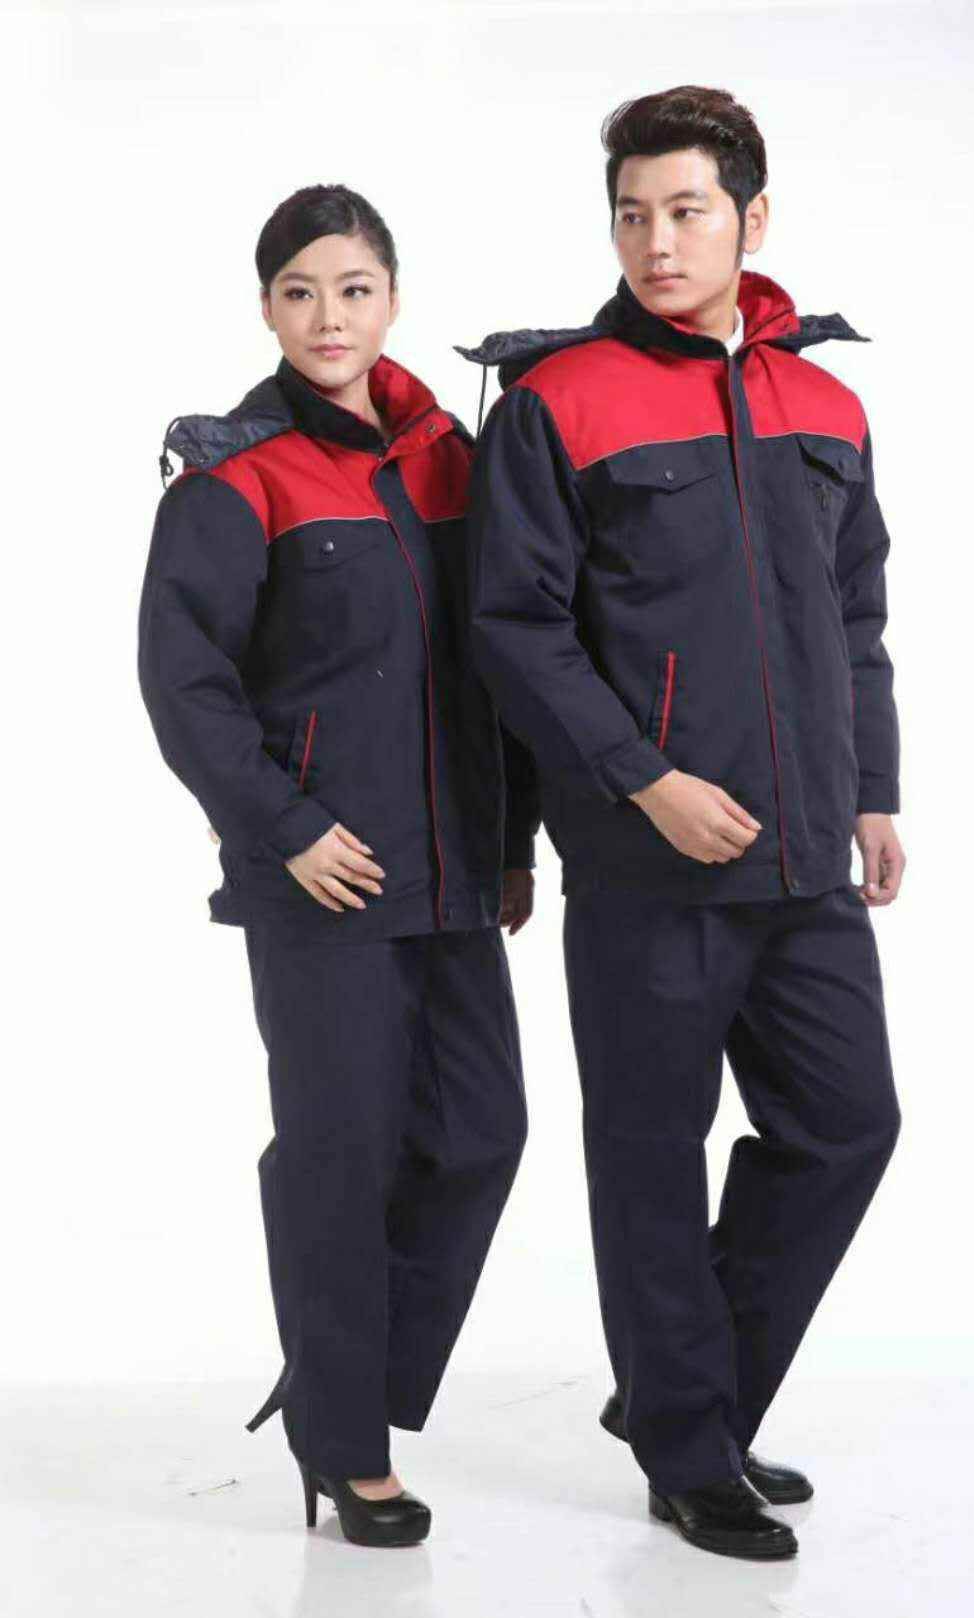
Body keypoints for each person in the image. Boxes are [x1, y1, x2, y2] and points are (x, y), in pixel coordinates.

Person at [460, 85, 905, 1561]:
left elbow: (856, 616)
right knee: (654, 1154)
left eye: (688, 211)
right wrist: (642, 777)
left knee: (846, 1124)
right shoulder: (559, 403)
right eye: (632, 214)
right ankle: (689, 1446)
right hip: (645, 858)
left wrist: (875, 788)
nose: (657, 241)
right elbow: (515, 630)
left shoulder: (826, 407)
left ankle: (679, 1397)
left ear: (751, 219)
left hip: (804, 851)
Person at [138, 184, 538, 1548]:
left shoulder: (452, 460)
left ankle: (333, 1378)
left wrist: (510, 843)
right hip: (322, 873)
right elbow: (185, 683)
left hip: (454, 867)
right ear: (266, 307)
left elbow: (496, 666)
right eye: (300, 291)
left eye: (354, 288)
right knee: (342, 1150)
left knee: (482, 1132)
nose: (329, 316)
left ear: (394, 299)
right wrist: (286, 827)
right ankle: (349, 1444)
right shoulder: (234, 477)